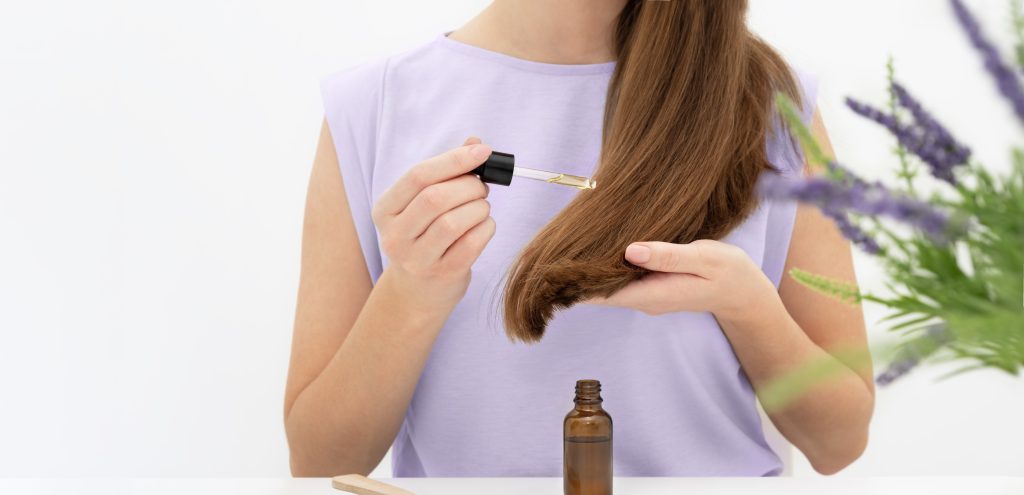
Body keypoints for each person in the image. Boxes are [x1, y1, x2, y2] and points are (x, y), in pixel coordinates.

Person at [284, 0, 875, 478]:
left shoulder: (776, 105)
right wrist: (412, 291)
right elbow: (320, 461)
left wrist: (747, 305)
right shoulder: (372, 106)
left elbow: (839, 441)